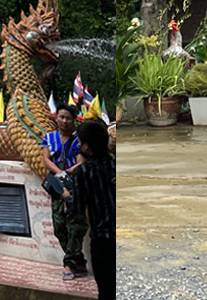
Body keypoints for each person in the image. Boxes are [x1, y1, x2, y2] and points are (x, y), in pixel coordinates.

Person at [66, 119, 116, 300]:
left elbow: (77, 209)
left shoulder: (84, 172)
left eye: (80, 142)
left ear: (87, 146)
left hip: (103, 242)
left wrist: (65, 195)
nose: (78, 145)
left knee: (107, 291)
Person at [41, 103, 87, 280]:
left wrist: (69, 171)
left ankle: (68, 263)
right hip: (56, 185)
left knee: (75, 224)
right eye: (61, 117)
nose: (64, 121)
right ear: (56, 117)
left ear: (74, 120)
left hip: (74, 184)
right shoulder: (49, 137)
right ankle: (79, 261)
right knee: (59, 226)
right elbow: (46, 158)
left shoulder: (78, 140)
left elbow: (81, 161)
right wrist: (58, 172)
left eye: (68, 118)